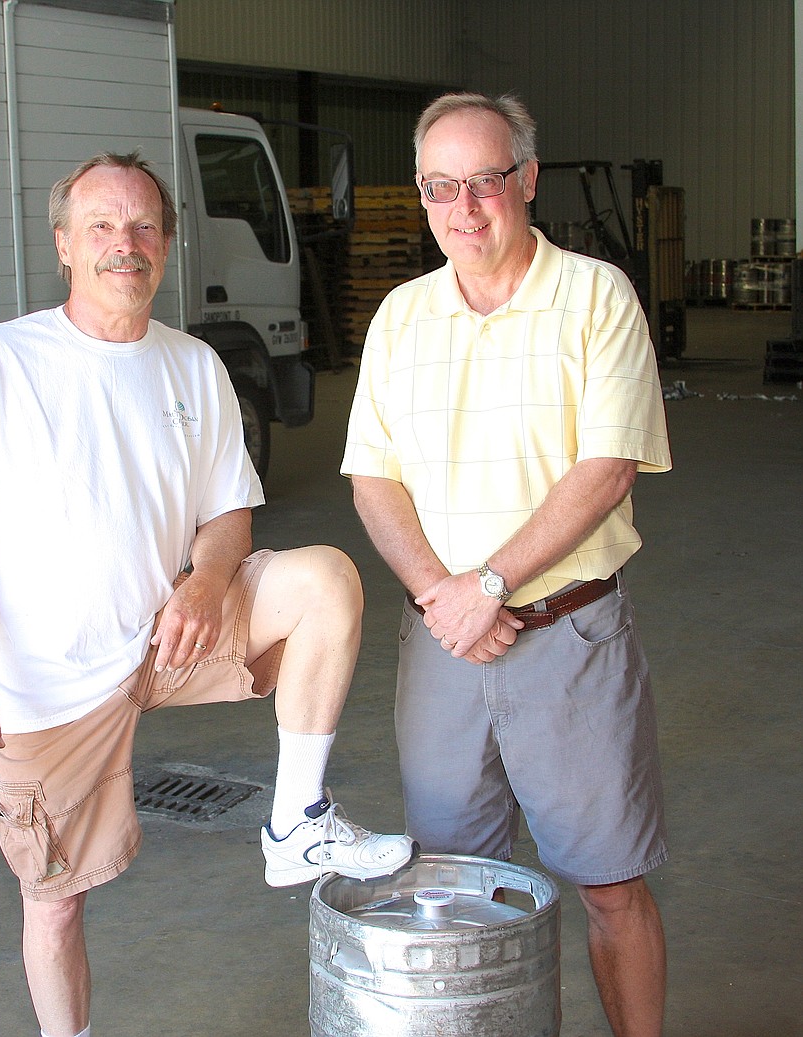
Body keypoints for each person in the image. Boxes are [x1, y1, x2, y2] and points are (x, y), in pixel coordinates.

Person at [0, 151, 412, 1037]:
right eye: (100, 226)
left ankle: (297, 819)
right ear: (63, 244)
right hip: (49, 683)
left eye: (141, 227)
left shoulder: (195, 366)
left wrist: (209, 581)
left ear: (167, 247)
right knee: (53, 899)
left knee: (326, 577)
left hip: (171, 638)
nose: (122, 246)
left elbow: (228, 512)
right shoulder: (2, 362)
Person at [342, 94, 671, 1037]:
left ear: (526, 179)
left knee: (610, 885)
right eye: (440, 188)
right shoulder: (403, 317)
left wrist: (484, 584)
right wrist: (444, 599)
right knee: (455, 888)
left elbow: (604, 469)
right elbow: (373, 479)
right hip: (443, 646)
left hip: (568, 636)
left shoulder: (596, 296)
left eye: (485, 181)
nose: (465, 208)